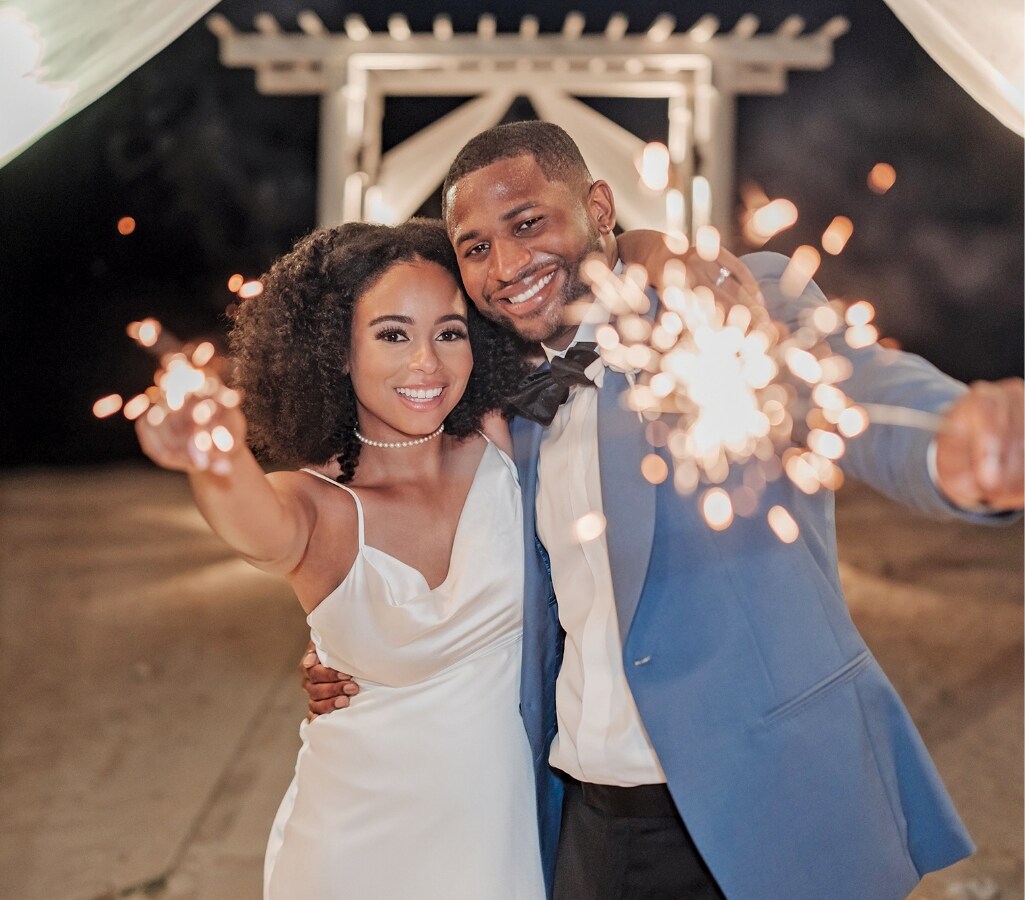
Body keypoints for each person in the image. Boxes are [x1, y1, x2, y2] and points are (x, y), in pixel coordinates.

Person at [305, 121, 1024, 900]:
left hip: (765, 799)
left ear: (599, 208)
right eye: (474, 247)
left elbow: (849, 383)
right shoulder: (500, 399)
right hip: (586, 816)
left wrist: (945, 448)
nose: (506, 265)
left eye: (527, 223)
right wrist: (367, 644)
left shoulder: (727, 307)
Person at [135, 219, 546, 899]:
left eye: (449, 332)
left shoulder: (505, 445)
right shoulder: (319, 507)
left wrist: (656, 245)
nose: (427, 365)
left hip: (502, 851)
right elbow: (256, 526)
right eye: (392, 334)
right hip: (355, 857)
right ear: (334, 352)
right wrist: (212, 456)